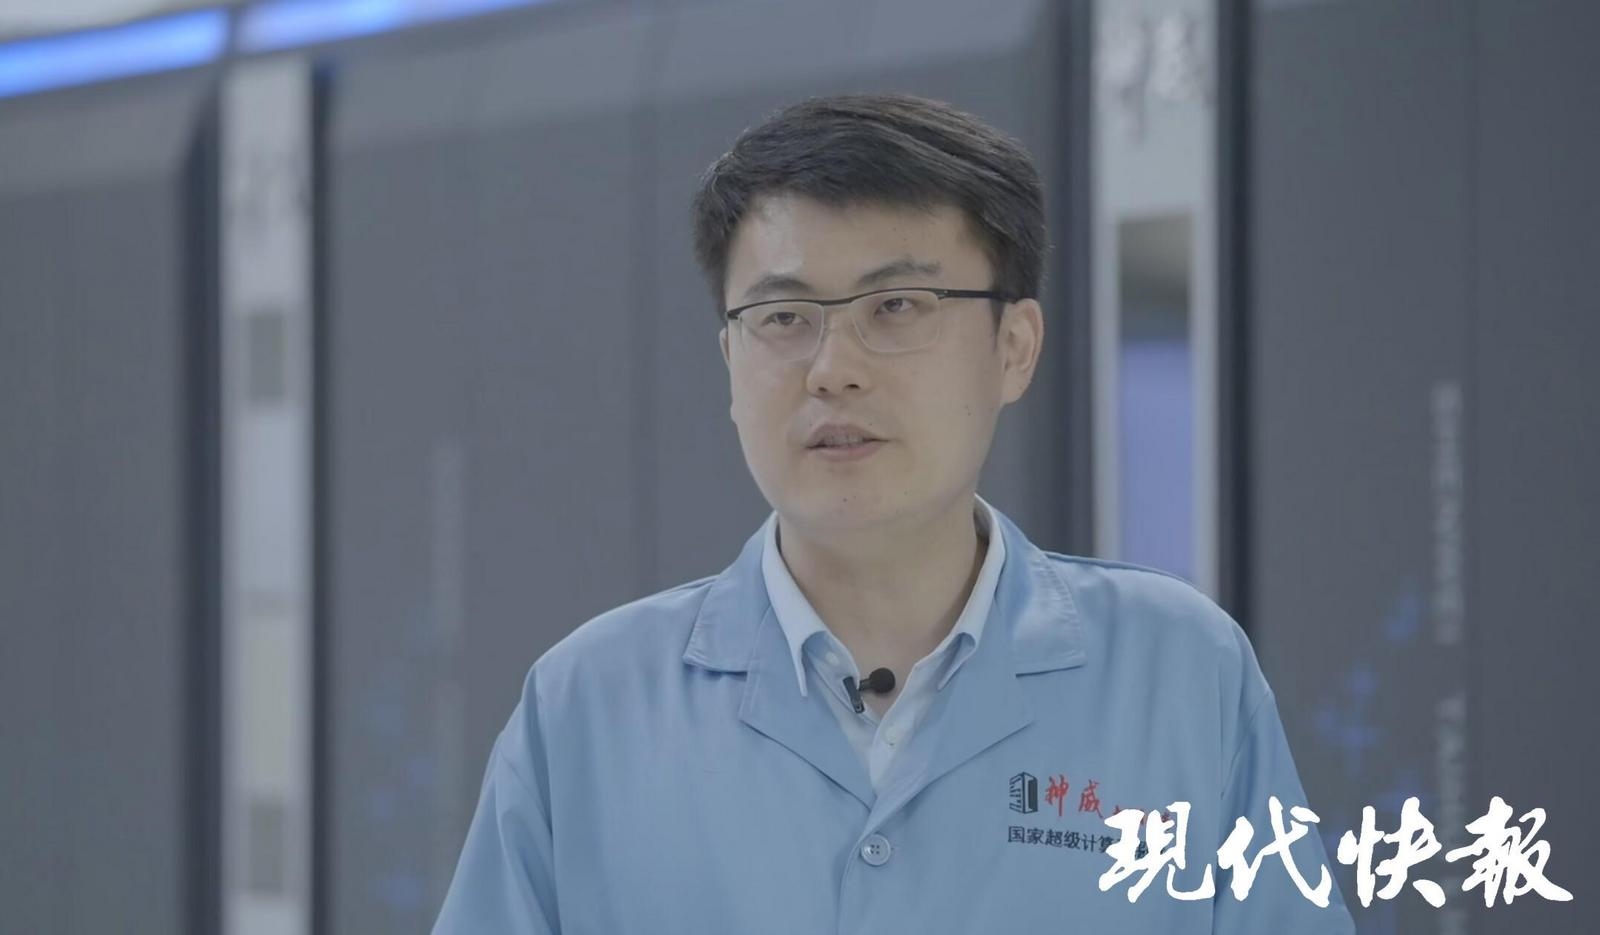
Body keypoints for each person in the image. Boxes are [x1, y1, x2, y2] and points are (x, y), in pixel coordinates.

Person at [432, 92, 1355, 933]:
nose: (833, 368)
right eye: (783, 318)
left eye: (898, 305)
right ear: (729, 362)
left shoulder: (1179, 672)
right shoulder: (586, 706)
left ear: (1015, 346)